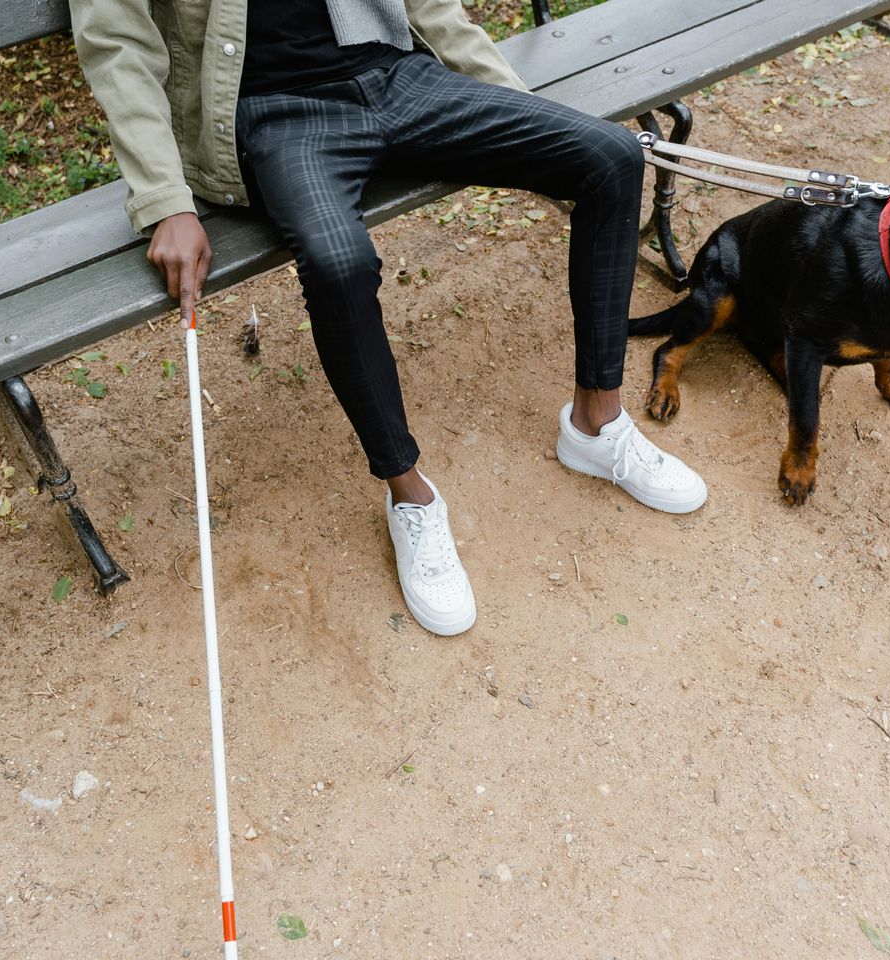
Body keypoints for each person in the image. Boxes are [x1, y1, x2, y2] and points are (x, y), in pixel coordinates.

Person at [68, 0, 707, 636]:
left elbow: (428, 5)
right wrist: (164, 200)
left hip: (398, 78)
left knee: (611, 156)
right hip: (277, 112)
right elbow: (116, 40)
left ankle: (596, 424)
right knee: (338, 262)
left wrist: (520, 114)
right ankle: (410, 496)